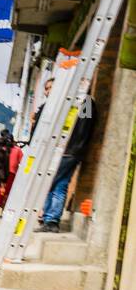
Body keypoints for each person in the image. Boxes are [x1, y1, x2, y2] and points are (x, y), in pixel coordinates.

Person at [40, 93, 95, 232]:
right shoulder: (80, 101)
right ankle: (51, 220)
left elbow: (84, 126)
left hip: (68, 150)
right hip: (71, 150)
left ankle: (49, 218)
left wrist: (75, 147)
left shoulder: (84, 101)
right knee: (60, 185)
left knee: (51, 183)